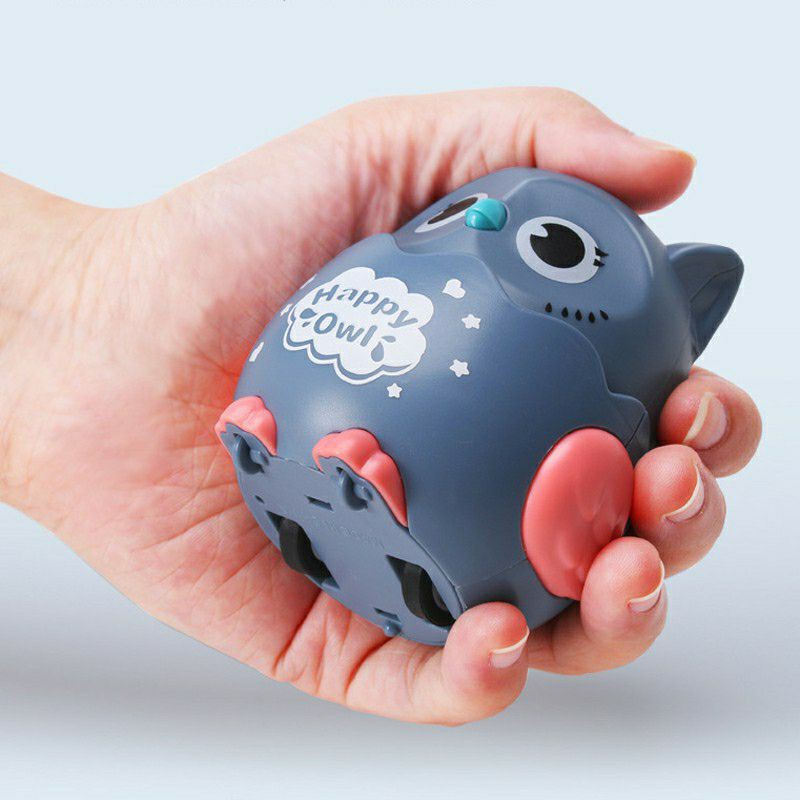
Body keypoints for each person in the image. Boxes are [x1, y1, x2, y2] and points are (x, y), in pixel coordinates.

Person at [0, 88, 761, 725]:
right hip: (310, 412)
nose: (480, 223)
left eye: (556, 246)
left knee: (580, 486)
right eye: (459, 209)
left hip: (437, 507)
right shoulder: (388, 252)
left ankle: (326, 468)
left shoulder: (590, 340)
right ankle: (293, 455)